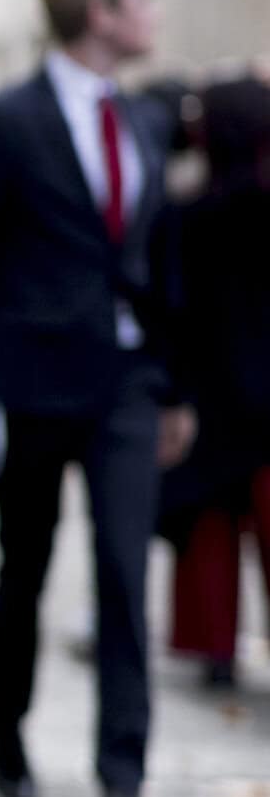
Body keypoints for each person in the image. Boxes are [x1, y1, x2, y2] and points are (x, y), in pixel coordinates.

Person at [0, 0, 195, 797]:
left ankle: (124, 777)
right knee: (24, 571)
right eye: (140, 0)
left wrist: (177, 388)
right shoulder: (4, 119)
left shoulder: (148, 120)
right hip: (29, 382)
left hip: (127, 384)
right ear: (99, 15)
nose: (154, 15)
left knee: (124, 570)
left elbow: (161, 264)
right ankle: (8, 735)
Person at [155, 75, 270, 690]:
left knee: (210, 532)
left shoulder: (185, 216)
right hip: (261, 398)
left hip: (210, 398)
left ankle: (215, 647)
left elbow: (173, 310)